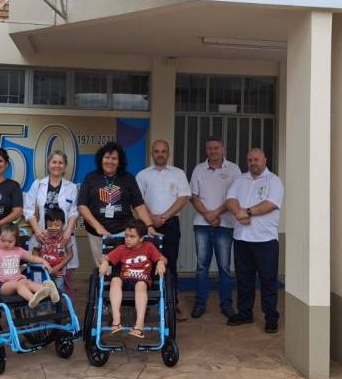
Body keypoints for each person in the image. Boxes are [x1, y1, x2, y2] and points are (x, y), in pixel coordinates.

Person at [224, 148, 284, 334]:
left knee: (268, 281)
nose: (253, 163)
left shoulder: (274, 181)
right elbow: (230, 200)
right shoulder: (240, 180)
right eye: (250, 160)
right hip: (242, 238)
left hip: (265, 240)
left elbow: (270, 204)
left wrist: (247, 212)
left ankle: (271, 317)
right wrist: (239, 213)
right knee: (244, 279)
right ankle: (245, 313)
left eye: (256, 159)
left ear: (265, 160)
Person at [135, 140, 190, 320]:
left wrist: (164, 216)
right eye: (157, 151)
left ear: (168, 153)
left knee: (170, 264)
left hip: (171, 224)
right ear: (152, 153)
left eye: (163, 151)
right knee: (147, 264)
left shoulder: (178, 174)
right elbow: (137, 200)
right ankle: (147, 304)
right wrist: (150, 218)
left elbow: (183, 198)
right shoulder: (142, 175)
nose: (160, 154)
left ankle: (171, 303)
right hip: (147, 225)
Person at [77, 141, 155, 265]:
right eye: (107, 157)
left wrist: (149, 226)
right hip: (97, 233)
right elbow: (82, 206)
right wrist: (98, 227)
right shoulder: (91, 177)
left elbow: (139, 205)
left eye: (114, 158)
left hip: (125, 233)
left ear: (119, 162)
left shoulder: (128, 178)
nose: (110, 161)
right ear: (101, 159)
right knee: (103, 267)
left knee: (125, 267)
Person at [188, 136, 239, 319]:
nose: (213, 151)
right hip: (202, 225)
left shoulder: (233, 169)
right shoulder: (199, 169)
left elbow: (234, 197)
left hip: (225, 225)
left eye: (216, 148)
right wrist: (207, 215)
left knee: (224, 267)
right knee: (202, 267)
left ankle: (226, 304)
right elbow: (193, 197)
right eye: (210, 148)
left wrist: (215, 214)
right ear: (206, 150)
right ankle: (200, 304)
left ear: (223, 149)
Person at [23, 149, 80, 292]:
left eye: (61, 163)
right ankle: (42, 305)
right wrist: (37, 230)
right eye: (54, 162)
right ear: (48, 164)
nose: (57, 165)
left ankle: (64, 306)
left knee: (64, 280)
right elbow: (28, 209)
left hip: (64, 239)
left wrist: (68, 231)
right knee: (40, 278)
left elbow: (74, 212)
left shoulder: (72, 187)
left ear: (65, 166)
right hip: (42, 237)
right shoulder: (38, 184)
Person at [98, 219, 165, 340]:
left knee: (140, 285)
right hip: (125, 280)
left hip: (141, 281)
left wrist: (160, 262)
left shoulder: (149, 247)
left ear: (141, 238)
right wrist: (104, 263)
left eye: (132, 237)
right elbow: (105, 258)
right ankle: (116, 320)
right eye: (126, 236)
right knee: (115, 280)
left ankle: (139, 325)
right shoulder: (122, 249)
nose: (127, 239)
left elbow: (164, 259)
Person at [0, 225, 60, 308]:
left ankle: (46, 291)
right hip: (0, 285)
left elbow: (32, 258)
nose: (6, 243)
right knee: (19, 284)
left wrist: (44, 261)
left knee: (26, 282)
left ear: (15, 241)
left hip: (17, 280)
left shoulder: (19, 250)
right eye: (2, 240)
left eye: (10, 241)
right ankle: (32, 299)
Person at [37, 207, 72, 294]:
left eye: (57, 225)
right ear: (46, 224)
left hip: (58, 273)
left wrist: (57, 268)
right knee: (43, 293)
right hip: (43, 271)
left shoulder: (65, 237)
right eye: (50, 225)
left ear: (63, 224)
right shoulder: (42, 236)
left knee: (59, 293)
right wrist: (46, 268)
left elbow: (70, 254)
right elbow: (35, 253)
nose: (53, 228)